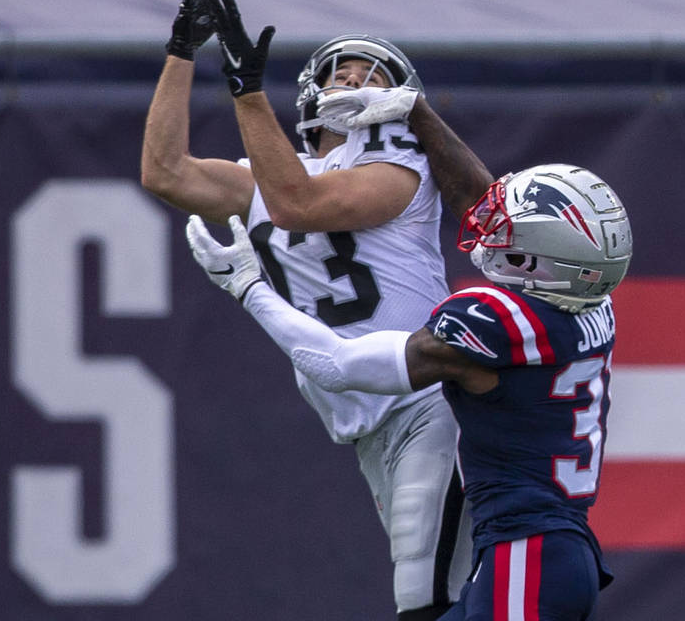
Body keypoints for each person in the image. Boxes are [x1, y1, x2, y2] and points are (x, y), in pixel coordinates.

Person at [142, 0, 493, 620]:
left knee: (426, 599)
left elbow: (299, 203)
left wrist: (246, 91)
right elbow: (165, 173)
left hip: (425, 398)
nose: (352, 77)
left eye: (371, 74)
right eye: (340, 69)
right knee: (453, 591)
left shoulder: (401, 167)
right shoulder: (267, 176)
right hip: (364, 419)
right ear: (312, 92)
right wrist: (182, 51)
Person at [186, 162, 634, 620]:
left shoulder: (495, 323)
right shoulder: (593, 305)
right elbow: (482, 205)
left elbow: (338, 365)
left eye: (510, 230)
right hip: (550, 551)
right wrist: (413, 104)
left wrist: (249, 287)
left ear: (538, 258)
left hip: (526, 554)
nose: (494, 231)